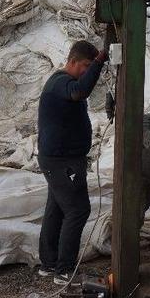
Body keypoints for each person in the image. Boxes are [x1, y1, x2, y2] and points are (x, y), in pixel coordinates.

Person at [36, 40, 107, 285]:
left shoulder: (62, 83)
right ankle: (64, 271)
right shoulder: (61, 83)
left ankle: (49, 264)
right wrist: (99, 62)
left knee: (56, 208)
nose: (87, 71)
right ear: (73, 61)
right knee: (78, 210)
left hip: (59, 159)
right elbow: (79, 91)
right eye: (86, 66)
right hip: (61, 161)